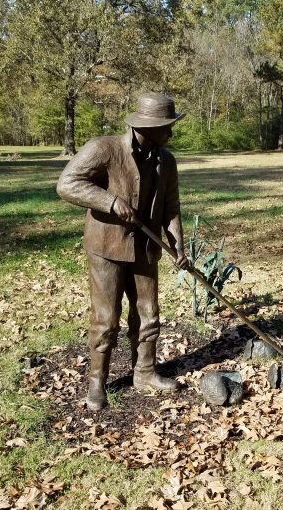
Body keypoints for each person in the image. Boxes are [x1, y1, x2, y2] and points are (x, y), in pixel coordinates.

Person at [56, 92, 189, 410]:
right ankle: (97, 384)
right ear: (150, 125)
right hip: (107, 247)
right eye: (167, 126)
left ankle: (144, 372)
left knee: (148, 315)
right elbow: (67, 184)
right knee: (107, 319)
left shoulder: (165, 160)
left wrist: (178, 245)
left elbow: (171, 207)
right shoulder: (104, 149)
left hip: (145, 248)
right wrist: (110, 202)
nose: (170, 133)